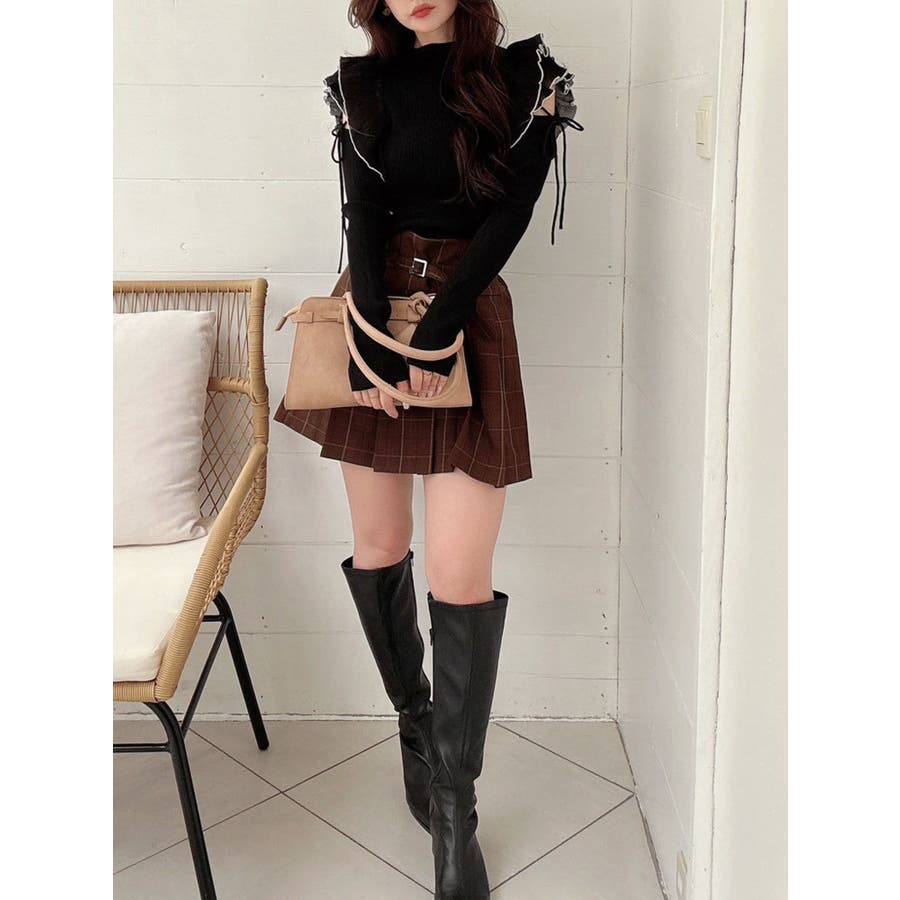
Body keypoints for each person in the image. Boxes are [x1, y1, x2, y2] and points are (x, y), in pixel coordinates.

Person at [273, 2, 582, 897]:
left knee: (459, 575)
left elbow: (511, 210)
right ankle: (416, 728)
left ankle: (455, 813)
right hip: (371, 316)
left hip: (466, 319)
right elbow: (363, 212)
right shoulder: (361, 86)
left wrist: (439, 328)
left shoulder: (527, 78)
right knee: (380, 547)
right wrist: (372, 339)